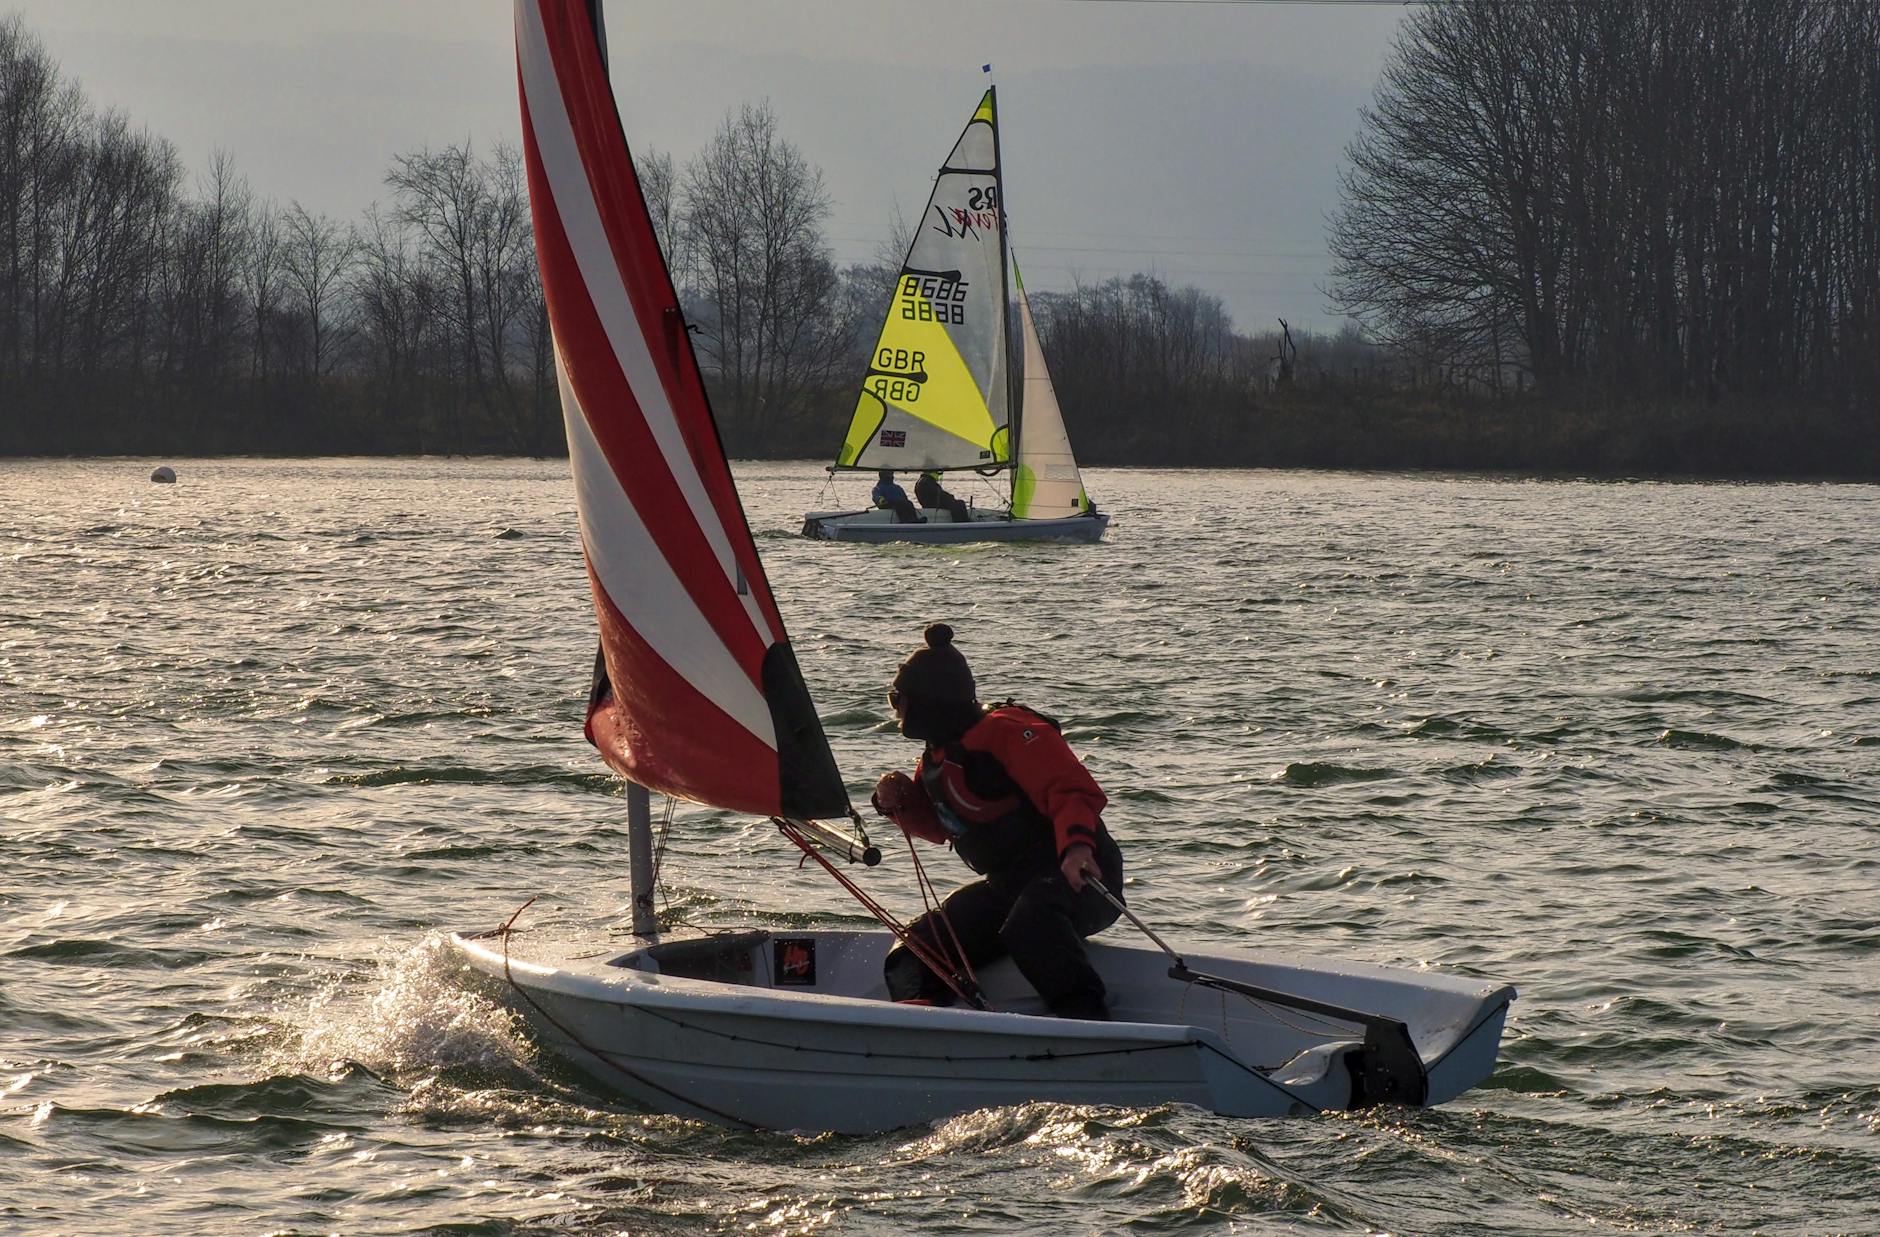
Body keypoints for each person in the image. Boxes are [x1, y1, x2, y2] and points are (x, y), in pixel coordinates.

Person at [870, 623, 1123, 1019]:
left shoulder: (1006, 731)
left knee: (1031, 925)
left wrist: (1077, 848)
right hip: (1010, 886)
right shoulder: (935, 761)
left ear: (927, 701)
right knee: (916, 947)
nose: (895, 708)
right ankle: (921, 1022)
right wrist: (899, 805)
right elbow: (942, 829)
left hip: (1080, 877)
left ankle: (1089, 1020)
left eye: (896, 699)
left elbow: (1072, 792)